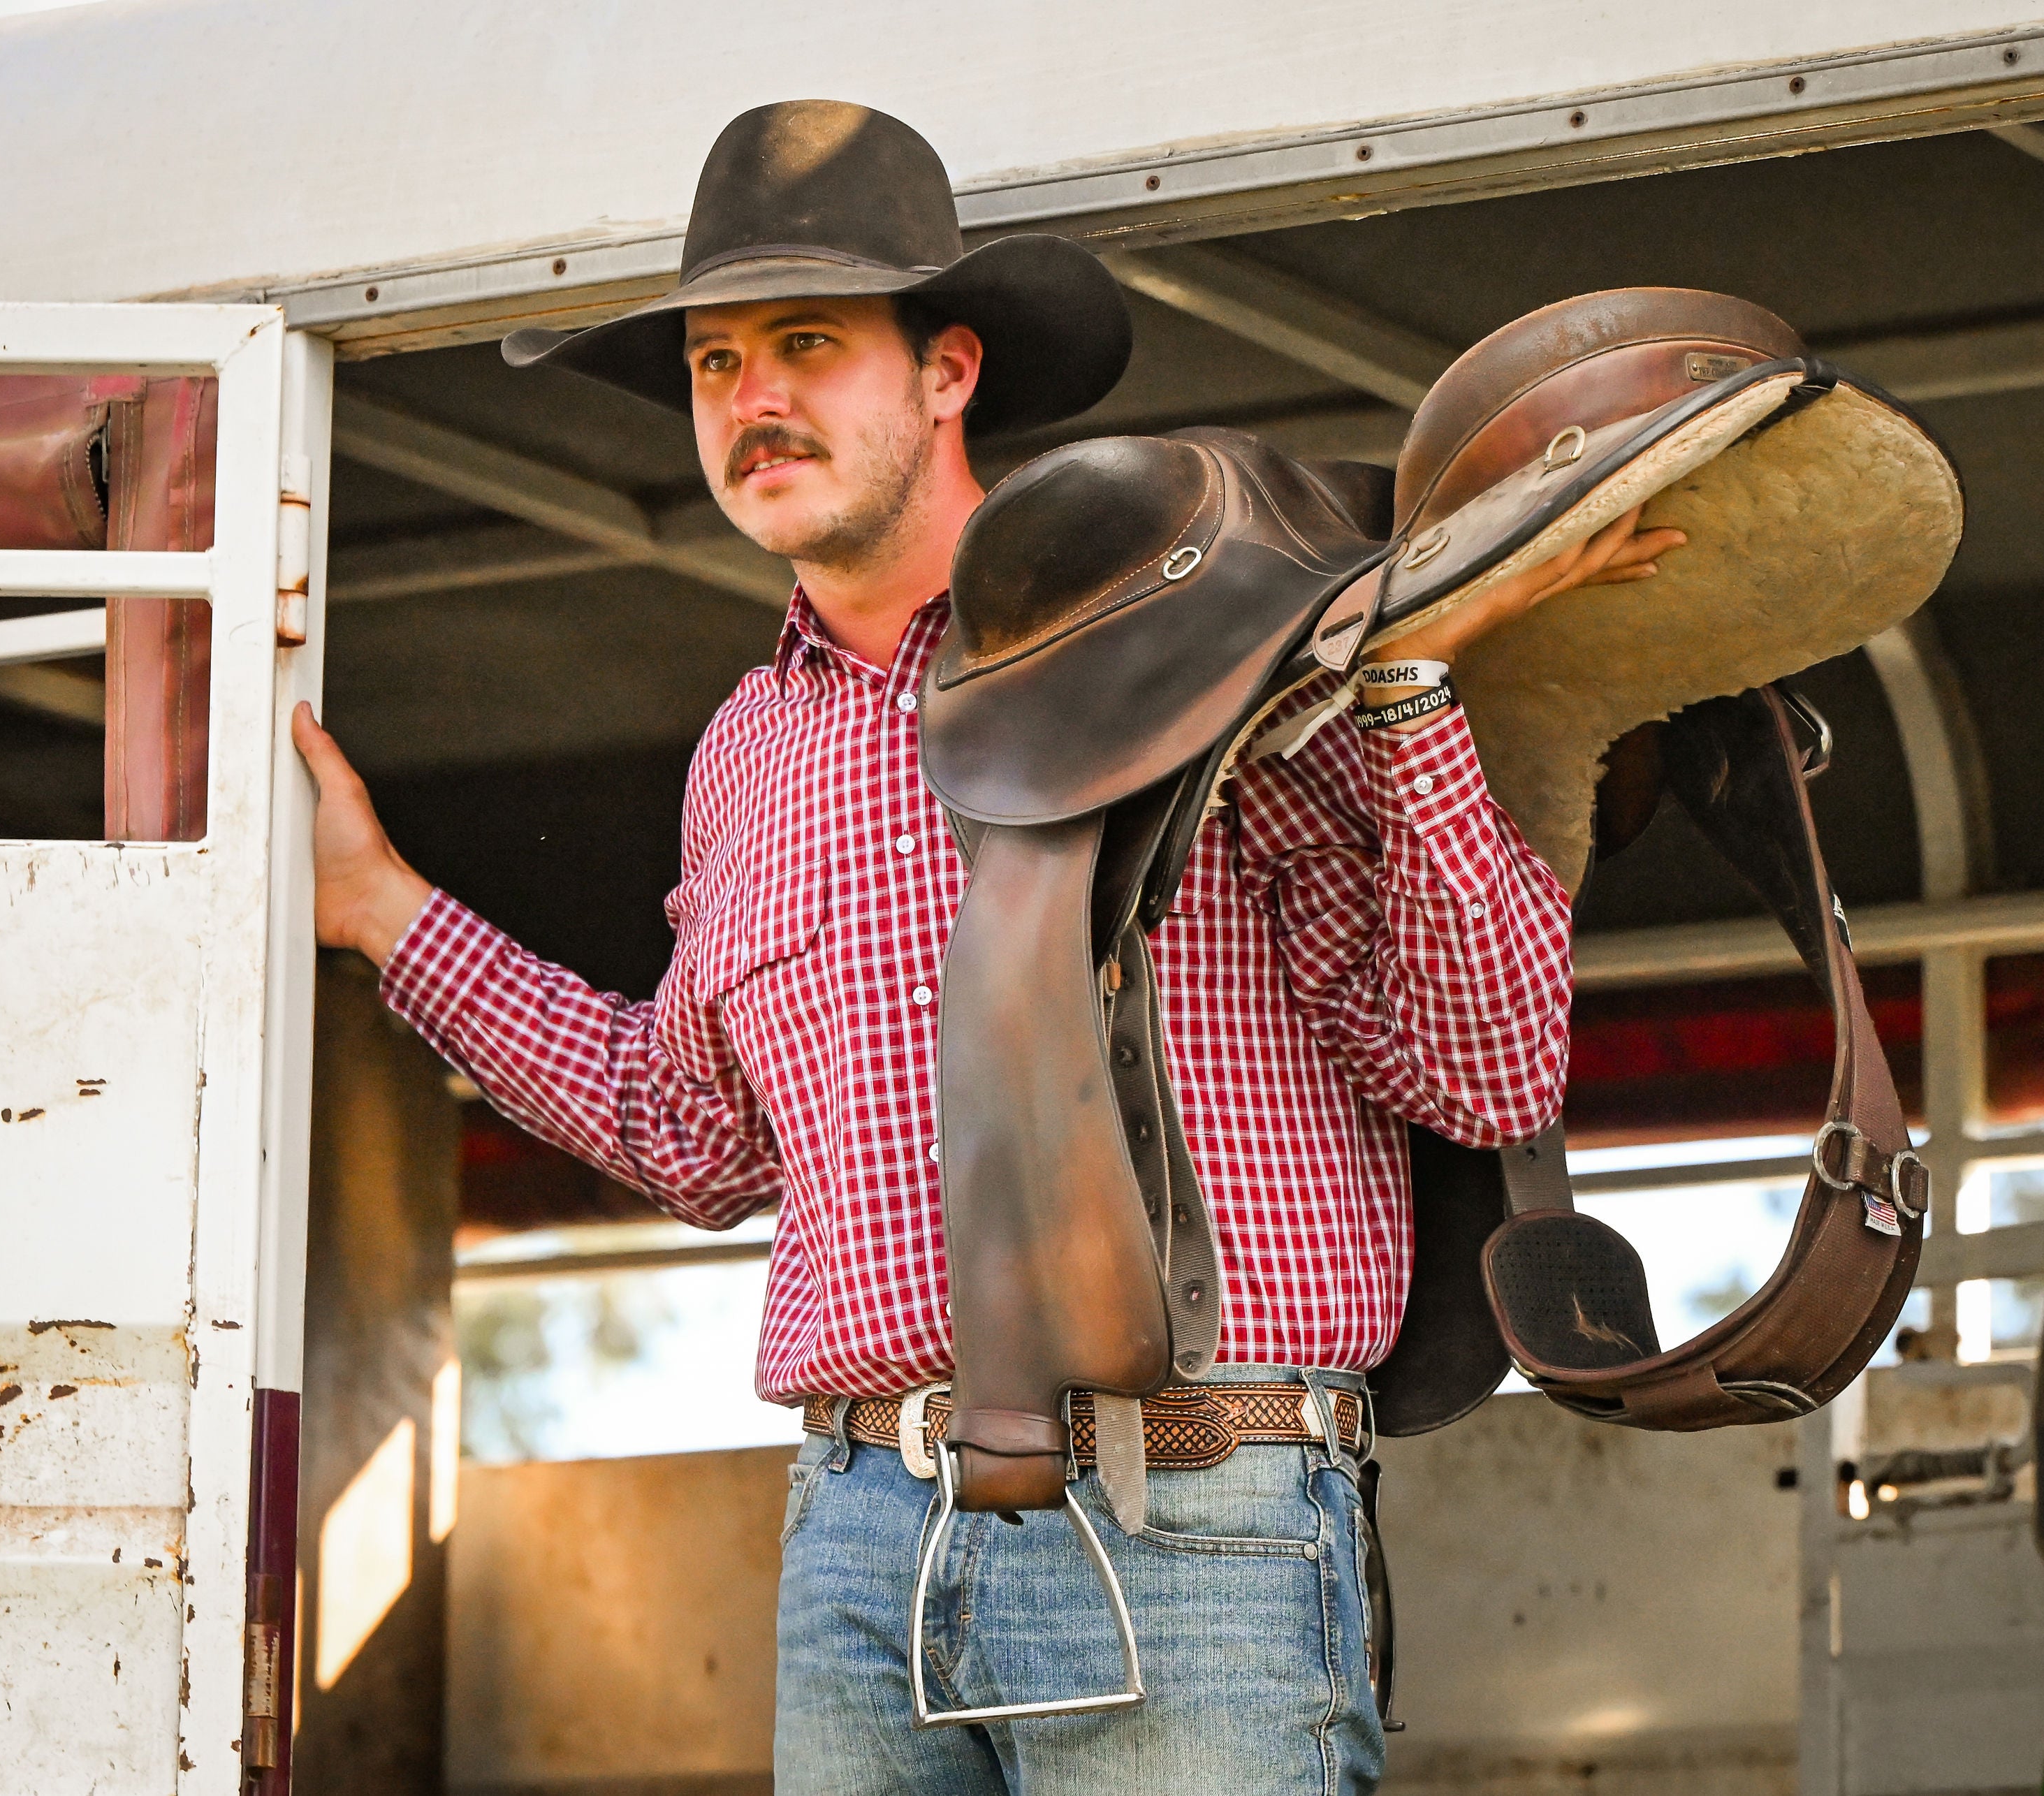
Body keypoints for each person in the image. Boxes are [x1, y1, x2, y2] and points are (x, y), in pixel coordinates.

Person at [292, 98, 1681, 1796]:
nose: (755, 402)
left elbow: (1477, 1064)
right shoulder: (747, 745)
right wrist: (378, 909)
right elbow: (693, 1135)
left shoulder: (1198, 630)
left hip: (1195, 1510)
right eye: (717, 365)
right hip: (861, 1533)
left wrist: (1402, 678)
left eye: (806, 345)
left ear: (949, 371)